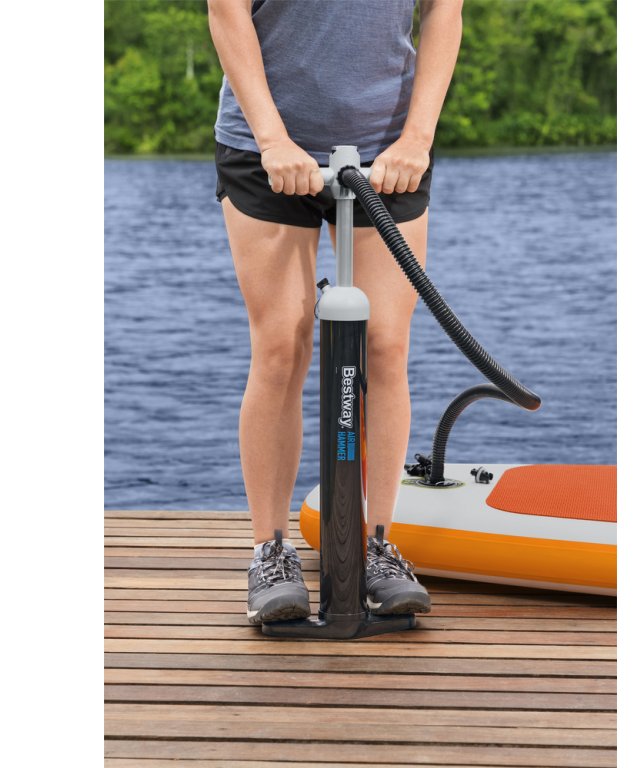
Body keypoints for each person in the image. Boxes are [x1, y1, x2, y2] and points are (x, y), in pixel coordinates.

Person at [208, 0, 463, 623]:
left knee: (385, 344)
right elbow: (225, 10)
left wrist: (417, 139)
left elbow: (444, 11)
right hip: (266, 147)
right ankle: (270, 550)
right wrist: (272, 140)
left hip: (389, 150)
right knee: (281, 344)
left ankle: (377, 545)